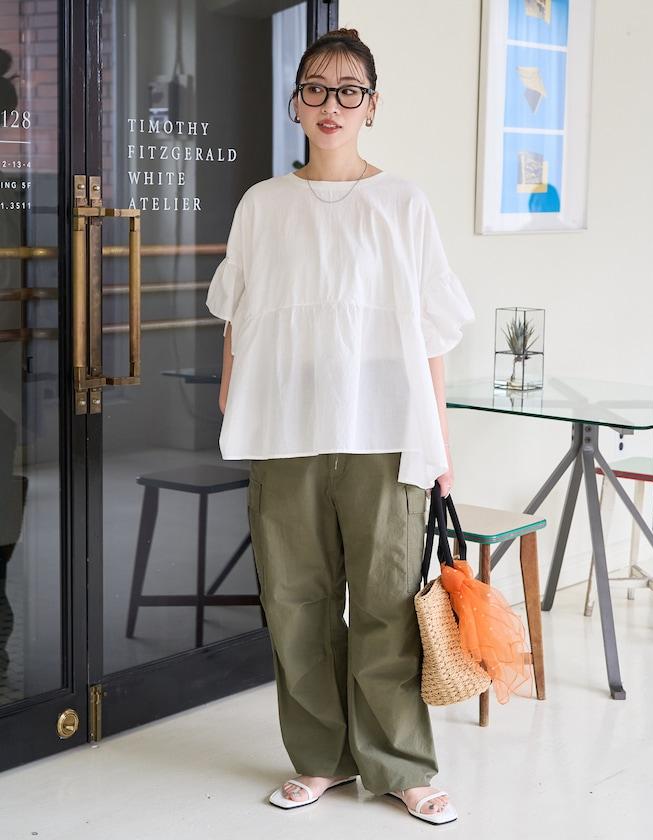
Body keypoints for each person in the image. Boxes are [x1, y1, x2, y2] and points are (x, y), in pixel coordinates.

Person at [206, 27, 475, 825]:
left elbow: (431, 331)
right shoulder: (262, 204)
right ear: (296, 103)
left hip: (386, 433)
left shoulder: (403, 203)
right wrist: (231, 396)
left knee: (387, 603)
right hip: (285, 430)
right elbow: (237, 312)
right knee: (297, 602)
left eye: (349, 90)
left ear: (372, 105)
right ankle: (320, 758)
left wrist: (440, 442)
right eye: (316, 89)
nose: (332, 104)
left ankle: (400, 766)